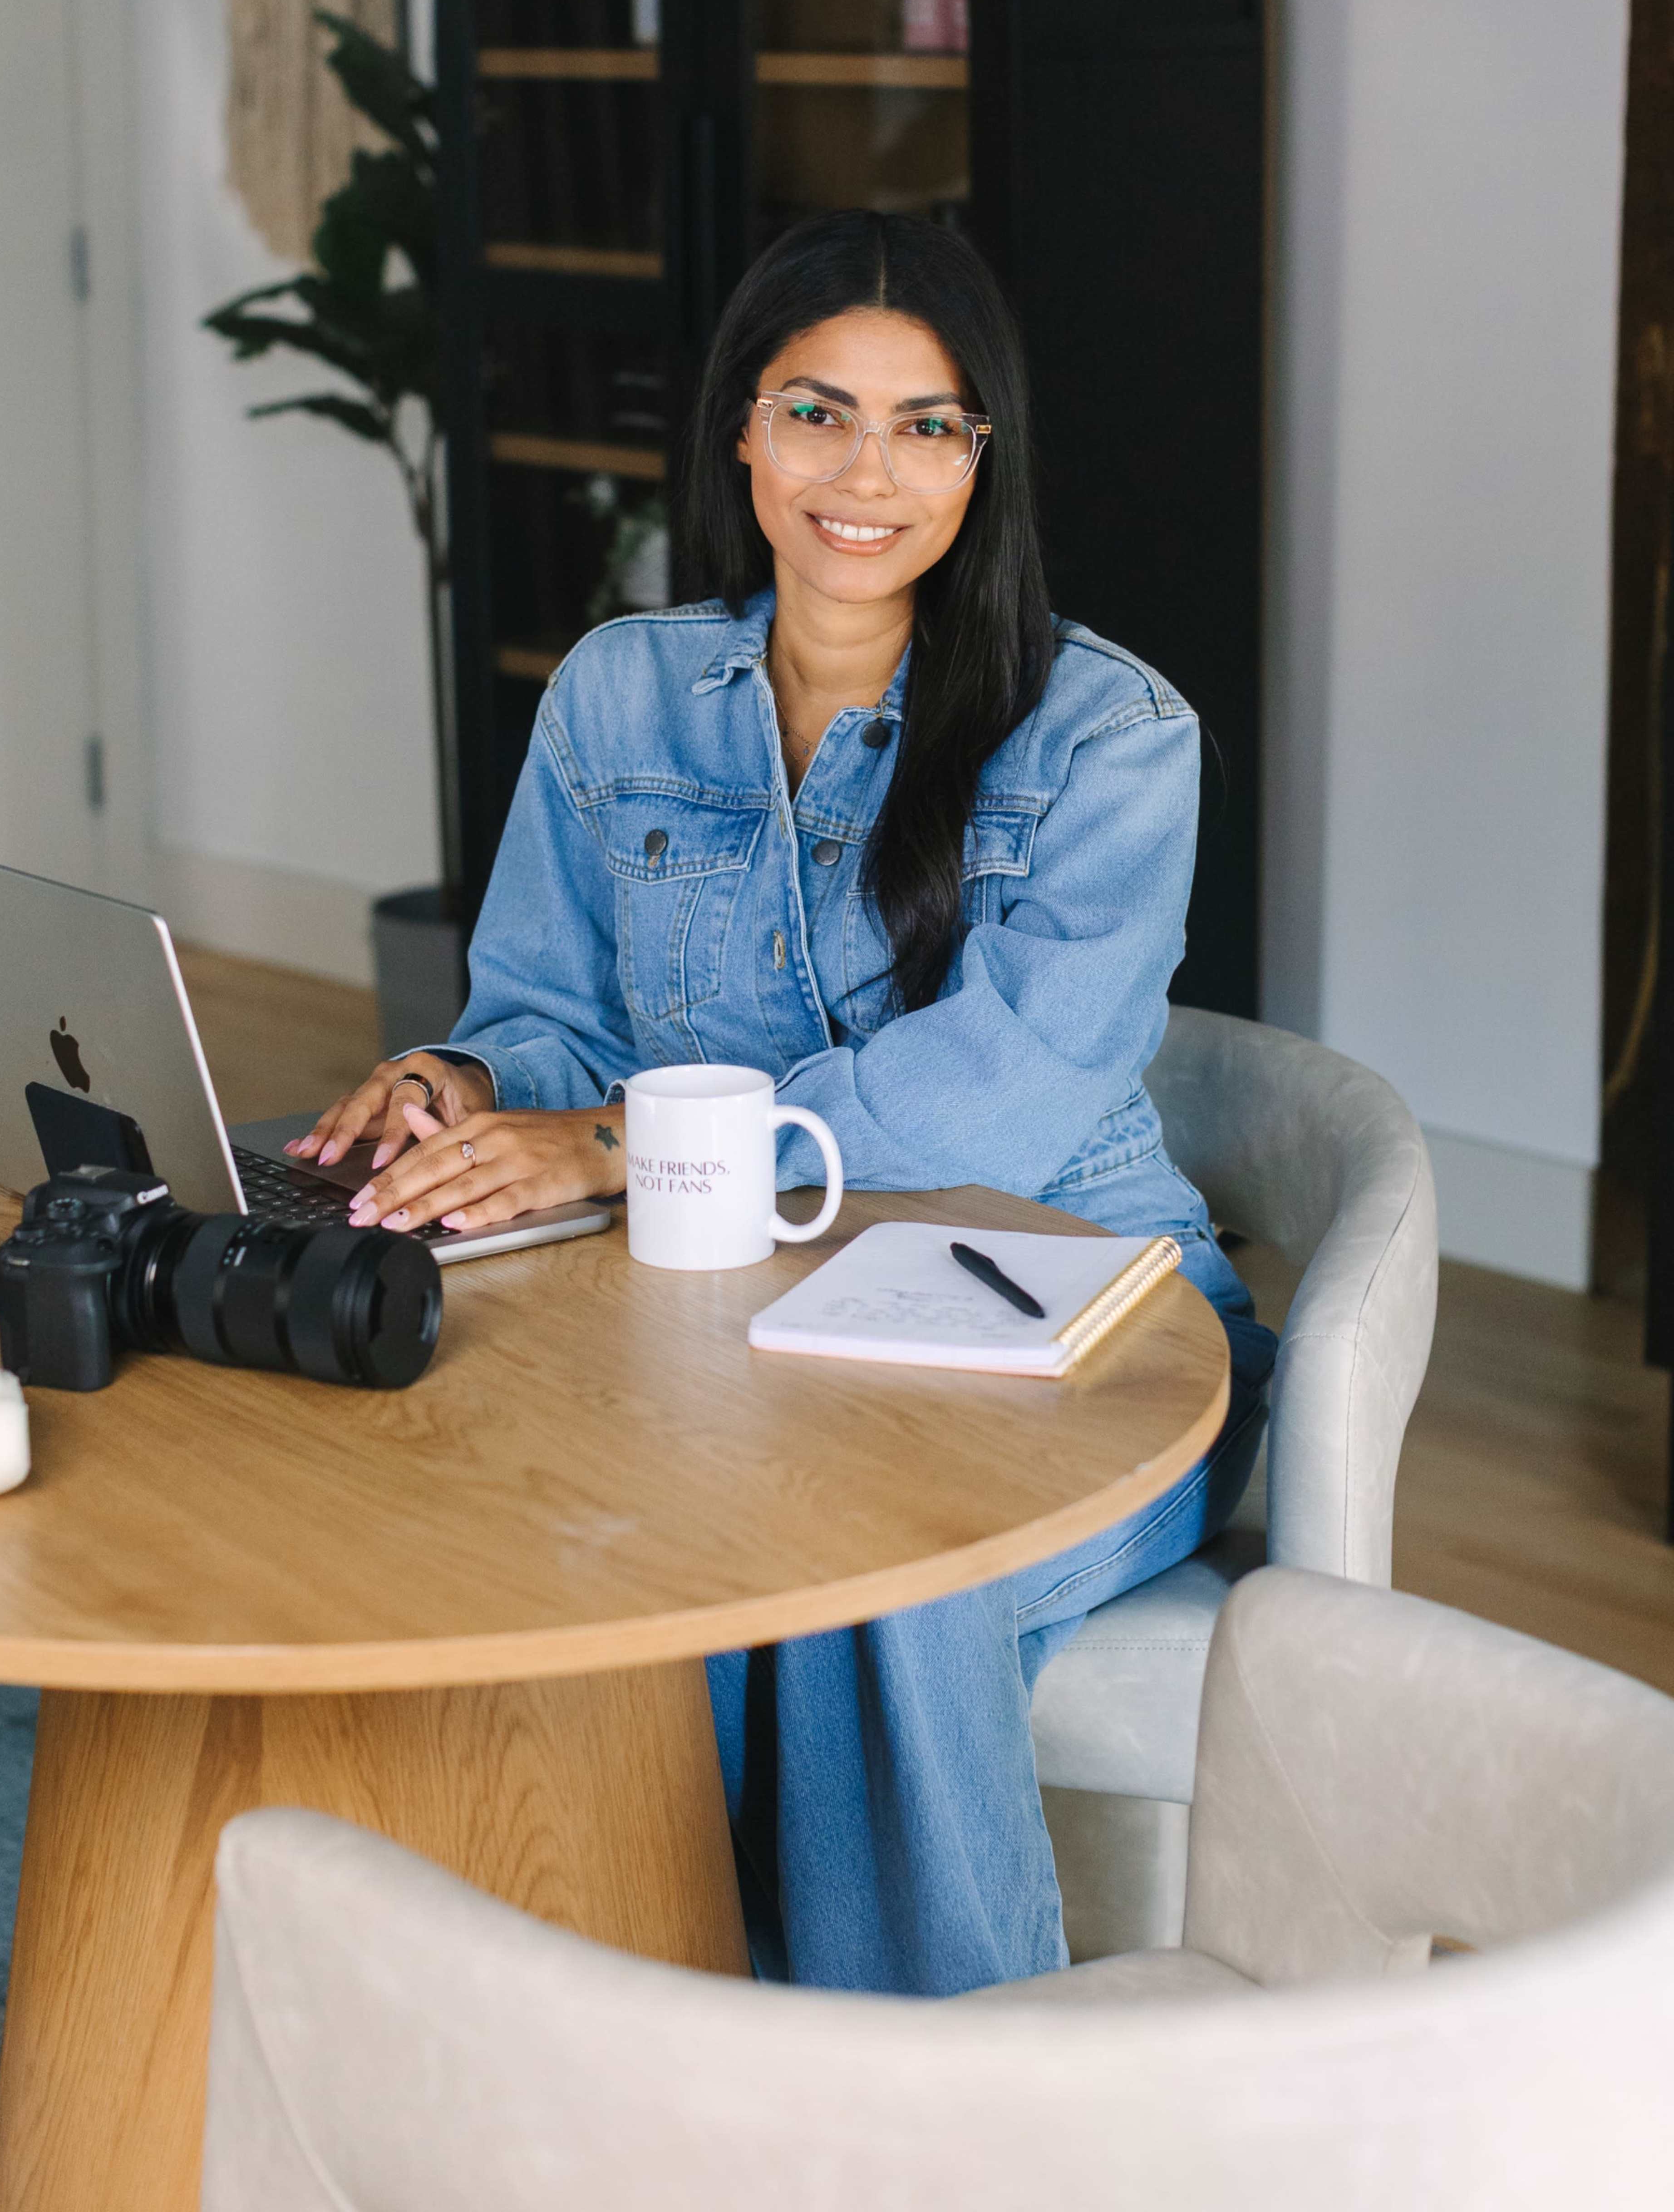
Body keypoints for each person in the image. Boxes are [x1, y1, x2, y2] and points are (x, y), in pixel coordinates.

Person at [297, 210, 1275, 1999]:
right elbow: (542, 1013)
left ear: (986, 459)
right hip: (743, 1327)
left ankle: (940, 2112)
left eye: (928, 425)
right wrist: (467, 1080)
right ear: (741, 433)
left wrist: (615, 1143)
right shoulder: (620, 695)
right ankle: (635, 2038)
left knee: (871, 1575)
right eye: (819, 413)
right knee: (513, 1513)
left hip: (1079, 1324)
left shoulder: (1113, 741)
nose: (868, 473)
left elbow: (1001, 1097)